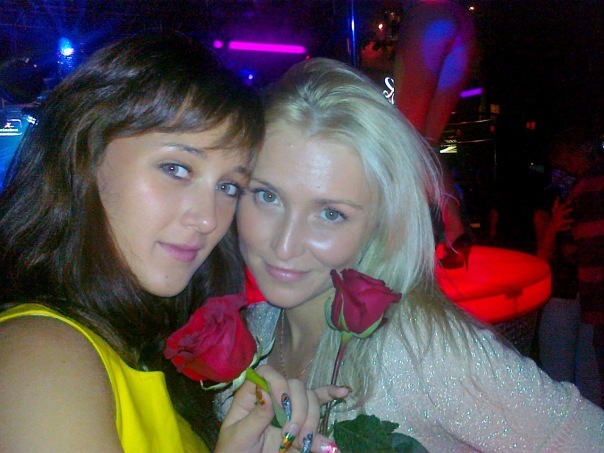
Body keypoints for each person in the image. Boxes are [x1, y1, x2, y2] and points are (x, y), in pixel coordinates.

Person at [220, 57, 604, 450]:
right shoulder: (249, 331)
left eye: (331, 213)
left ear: (380, 224)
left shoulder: (420, 350)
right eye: (267, 196)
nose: (284, 245)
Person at [0, 33, 345, 453]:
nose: (208, 219)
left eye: (229, 187)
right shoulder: (40, 357)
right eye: (176, 169)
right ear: (85, 155)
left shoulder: (137, 340)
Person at [393, 0, 477, 264]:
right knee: (426, 142)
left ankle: (406, 244)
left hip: (427, 13)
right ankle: (456, 232)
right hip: (461, 19)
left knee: (406, 140)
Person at [544, 127, 604, 407]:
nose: (564, 169)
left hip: (588, 298)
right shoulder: (579, 188)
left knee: (575, 375)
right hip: (584, 299)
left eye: (565, 162)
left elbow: (569, 250)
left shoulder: (582, 190)